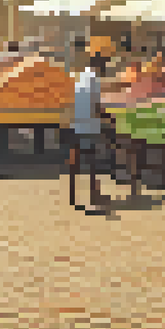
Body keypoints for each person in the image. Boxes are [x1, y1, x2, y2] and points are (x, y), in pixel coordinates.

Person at [69, 52, 110, 212]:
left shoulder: (80, 78)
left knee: (78, 162)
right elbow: (96, 106)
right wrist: (110, 118)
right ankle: (94, 194)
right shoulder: (94, 80)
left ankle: (75, 195)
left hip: (76, 125)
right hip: (89, 127)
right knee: (94, 160)